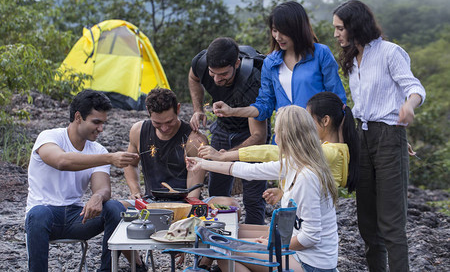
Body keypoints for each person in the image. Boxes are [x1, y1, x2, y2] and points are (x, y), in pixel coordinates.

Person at [332, 0, 426, 272]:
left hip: (388, 139)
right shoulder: (352, 58)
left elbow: (413, 86)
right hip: (362, 138)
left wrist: (409, 105)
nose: (336, 34)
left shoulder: (390, 52)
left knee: (391, 223)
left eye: (340, 28)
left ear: (355, 26)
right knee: (367, 223)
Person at [187, 105, 339, 272]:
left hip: (312, 263)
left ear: (286, 136)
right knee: (234, 233)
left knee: (225, 255)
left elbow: (311, 237)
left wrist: (271, 244)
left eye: (277, 131)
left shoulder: (306, 177)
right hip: (300, 249)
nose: (275, 137)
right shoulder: (294, 164)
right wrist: (203, 163)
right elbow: (249, 171)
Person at [25, 90, 143, 272]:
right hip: (44, 216)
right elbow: (62, 162)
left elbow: (103, 188)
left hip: (77, 217)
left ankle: (107, 269)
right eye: (96, 122)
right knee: (39, 213)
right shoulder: (49, 137)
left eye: (103, 123)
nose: (101, 129)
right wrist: (109, 158)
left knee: (115, 208)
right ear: (78, 117)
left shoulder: (98, 150)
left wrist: (98, 196)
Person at [199, 91, 359, 205]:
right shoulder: (328, 150)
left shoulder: (328, 153)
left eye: (309, 119)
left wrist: (225, 156)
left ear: (325, 121)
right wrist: (283, 193)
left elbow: (274, 152)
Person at [213, 1, 346, 134]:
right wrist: (231, 111)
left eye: (283, 32)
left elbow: (338, 100)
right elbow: (264, 106)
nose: (277, 37)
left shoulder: (321, 54)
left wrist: (338, 141)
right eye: (274, 30)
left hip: (316, 140)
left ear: (298, 29)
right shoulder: (270, 62)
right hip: (284, 140)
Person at [189, 37, 268, 225]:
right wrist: (198, 109)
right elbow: (193, 77)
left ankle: (251, 248)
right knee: (216, 193)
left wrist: (226, 155)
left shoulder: (253, 80)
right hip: (222, 129)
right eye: (212, 73)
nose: (216, 80)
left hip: (249, 135)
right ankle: (217, 239)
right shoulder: (201, 62)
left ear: (237, 63)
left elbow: (258, 135)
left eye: (223, 74)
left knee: (253, 198)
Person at [123, 88, 208, 203]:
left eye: (169, 122)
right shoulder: (138, 131)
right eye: (157, 123)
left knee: (229, 203)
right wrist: (135, 191)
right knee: (113, 207)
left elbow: (194, 192)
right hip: (150, 201)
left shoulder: (194, 140)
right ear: (148, 111)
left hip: (184, 202)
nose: (164, 128)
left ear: (178, 109)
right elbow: (130, 164)